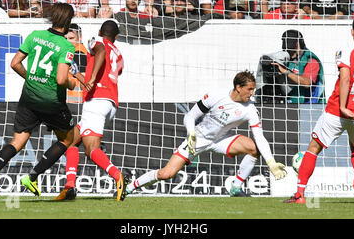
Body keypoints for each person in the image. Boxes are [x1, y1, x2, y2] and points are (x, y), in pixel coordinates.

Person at [125, 71, 287, 197]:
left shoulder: (250, 109)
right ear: (238, 87)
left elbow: (259, 137)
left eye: (253, 89)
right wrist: (191, 134)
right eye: (249, 89)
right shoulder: (216, 95)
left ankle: (236, 187)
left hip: (222, 139)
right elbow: (190, 116)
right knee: (166, 173)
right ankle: (129, 187)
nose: (252, 93)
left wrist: (271, 162)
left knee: (254, 148)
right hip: (198, 139)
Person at [0, 2, 77, 203]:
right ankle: (31, 177)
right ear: (68, 21)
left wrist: (31, 78)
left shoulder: (34, 36)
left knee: (17, 141)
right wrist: (72, 81)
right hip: (51, 101)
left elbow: (15, 63)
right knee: (68, 139)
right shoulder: (67, 46)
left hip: (29, 97)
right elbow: (60, 79)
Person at [285, 15, 354, 204]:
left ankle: (299, 194)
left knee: (314, 148)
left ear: (352, 32)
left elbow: (346, 79)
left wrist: (343, 107)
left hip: (338, 111)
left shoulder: (347, 51)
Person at [54, 20, 127, 202]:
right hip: (110, 103)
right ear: (116, 37)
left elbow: (100, 51)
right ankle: (69, 186)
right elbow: (110, 73)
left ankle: (118, 177)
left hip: (96, 101)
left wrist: (92, 77)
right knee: (70, 141)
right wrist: (79, 75)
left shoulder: (97, 40)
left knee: (91, 149)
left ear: (100, 31)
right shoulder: (119, 55)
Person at [272, 29, 325, 103]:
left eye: (291, 50)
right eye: (286, 50)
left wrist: (285, 72)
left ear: (298, 45)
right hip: (291, 104)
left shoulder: (311, 60)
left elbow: (307, 83)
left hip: (312, 105)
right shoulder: (287, 58)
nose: (289, 53)